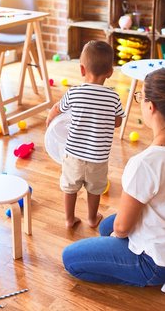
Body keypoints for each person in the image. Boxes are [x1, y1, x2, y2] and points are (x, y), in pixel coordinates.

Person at [62, 68, 165, 294]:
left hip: (159, 262)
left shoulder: (145, 163)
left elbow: (122, 228)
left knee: (70, 259)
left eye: (140, 97)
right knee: (105, 226)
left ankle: (156, 277)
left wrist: (118, 237)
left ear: (151, 107)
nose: (139, 101)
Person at [46, 40, 125, 228]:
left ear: (82, 70)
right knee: (95, 189)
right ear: (110, 72)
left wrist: (50, 116)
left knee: (70, 187)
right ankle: (91, 218)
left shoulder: (74, 92)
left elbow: (59, 108)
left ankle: (69, 219)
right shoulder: (113, 97)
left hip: (73, 153)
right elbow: (118, 122)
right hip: (98, 157)